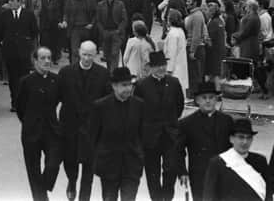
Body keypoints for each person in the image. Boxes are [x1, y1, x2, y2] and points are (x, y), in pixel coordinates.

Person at [58, 40, 110, 201]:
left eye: (91, 55)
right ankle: (72, 181)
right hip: (71, 123)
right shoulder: (66, 72)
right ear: (79, 53)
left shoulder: (103, 73)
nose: (87, 58)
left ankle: (84, 197)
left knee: (89, 166)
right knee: (70, 160)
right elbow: (58, 96)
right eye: (85, 54)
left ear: (96, 55)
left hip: (92, 126)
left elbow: (107, 99)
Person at [134, 51, 184, 201]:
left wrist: (171, 124)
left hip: (170, 135)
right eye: (157, 66)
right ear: (150, 68)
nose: (161, 68)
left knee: (170, 169)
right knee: (152, 172)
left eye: (163, 65)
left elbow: (179, 106)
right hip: (150, 137)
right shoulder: (142, 85)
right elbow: (137, 110)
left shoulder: (174, 82)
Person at [90, 67, 145, 201]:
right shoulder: (100, 106)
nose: (128, 89)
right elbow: (93, 136)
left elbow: (142, 134)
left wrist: (139, 156)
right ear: (114, 86)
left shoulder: (139, 105)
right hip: (109, 166)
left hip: (132, 166)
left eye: (130, 85)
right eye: (124, 85)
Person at [16, 47, 62, 201]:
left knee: (53, 163)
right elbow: (20, 107)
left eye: (49, 58)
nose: (47, 61)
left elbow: (58, 101)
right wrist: (30, 121)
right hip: (31, 131)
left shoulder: (56, 80)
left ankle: (43, 186)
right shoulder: (26, 82)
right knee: (33, 169)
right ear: (35, 61)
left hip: (51, 130)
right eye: (42, 58)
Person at [176, 81, 234, 201]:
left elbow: (234, 148)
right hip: (199, 174)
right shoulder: (186, 123)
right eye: (204, 98)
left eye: (211, 97)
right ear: (197, 100)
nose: (208, 101)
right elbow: (178, 150)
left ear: (216, 99)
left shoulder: (227, 121)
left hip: (223, 173)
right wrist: (182, 171)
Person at [203, 118, 271, 201]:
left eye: (248, 138)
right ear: (231, 139)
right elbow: (209, 195)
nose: (245, 142)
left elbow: (268, 192)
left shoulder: (260, 161)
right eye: (241, 137)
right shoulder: (217, 162)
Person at [0, 0, 39, 112]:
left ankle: (24, 101)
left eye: (13, 0)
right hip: (10, 52)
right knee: (13, 78)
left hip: (24, 51)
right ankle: (14, 102)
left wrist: (26, 41)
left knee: (24, 77)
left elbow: (34, 31)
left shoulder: (28, 15)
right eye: (9, 1)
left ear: (20, 1)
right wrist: (1, 43)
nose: (10, 3)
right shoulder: (4, 15)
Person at [63, 0, 97, 65]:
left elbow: (95, 14)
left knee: (87, 51)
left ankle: (86, 66)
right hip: (75, 28)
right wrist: (64, 21)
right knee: (75, 51)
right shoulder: (69, 0)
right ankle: (74, 69)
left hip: (87, 28)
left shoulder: (91, 0)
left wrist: (92, 24)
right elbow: (66, 13)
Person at [96, 0, 128, 71]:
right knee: (107, 55)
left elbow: (124, 19)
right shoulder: (100, 5)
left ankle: (114, 72)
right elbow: (98, 20)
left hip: (116, 32)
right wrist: (102, 31)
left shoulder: (120, 4)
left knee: (115, 53)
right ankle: (110, 71)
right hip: (105, 31)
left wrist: (119, 30)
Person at [185, 0, 208, 97]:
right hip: (193, 45)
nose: (186, 3)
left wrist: (192, 50)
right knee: (193, 72)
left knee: (195, 73)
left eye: (189, 1)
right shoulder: (194, 14)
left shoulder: (197, 15)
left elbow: (196, 35)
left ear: (194, 3)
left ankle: (196, 94)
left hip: (196, 47)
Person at [163, 9, 189, 97]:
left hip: (174, 67)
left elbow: (171, 52)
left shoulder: (172, 34)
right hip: (180, 64)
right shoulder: (180, 31)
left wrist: (169, 69)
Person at [204, 0, 226, 91]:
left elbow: (210, 38)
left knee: (210, 72)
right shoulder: (220, 21)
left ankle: (209, 90)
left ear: (212, 12)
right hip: (220, 49)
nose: (207, 12)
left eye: (208, 11)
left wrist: (205, 41)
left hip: (213, 51)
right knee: (216, 72)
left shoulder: (213, 23)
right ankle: (217, 91)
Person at [40, 0, 64, 64]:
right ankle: (46, 58)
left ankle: (55, 58)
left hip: (56, 22)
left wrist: (62, 21)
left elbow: (62, 8)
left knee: (55, 41)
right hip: (45, 23)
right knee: (45, 41)